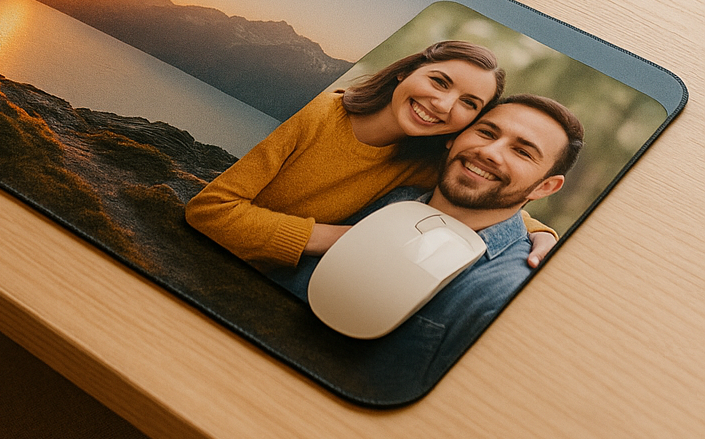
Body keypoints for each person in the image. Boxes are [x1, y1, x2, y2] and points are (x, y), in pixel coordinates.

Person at [267, 95, 585, 403]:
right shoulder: (378, 189)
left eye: (522, 152)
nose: (490, 152)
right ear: (455, 137)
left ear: (545, 186)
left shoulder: (506, 293)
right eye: (487, 132)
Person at [185, 41, 557, 270]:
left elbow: (495, 197)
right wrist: (347, 238)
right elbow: (210, 210)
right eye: (439, 82)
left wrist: (543, 233)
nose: (442, 104)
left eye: (468, 103)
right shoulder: (314, 115)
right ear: (405, 73)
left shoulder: (423, 164)